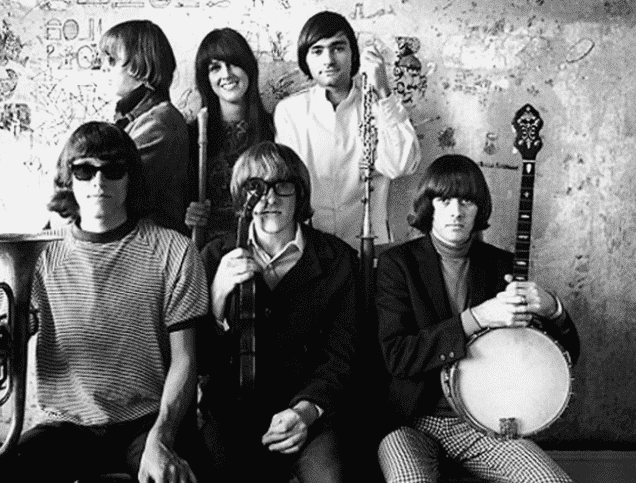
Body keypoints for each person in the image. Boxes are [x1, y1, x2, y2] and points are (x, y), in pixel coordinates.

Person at [0, 122, 208, 483]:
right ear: (69, 179)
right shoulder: (39, 253)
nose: (98, 181)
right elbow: (10, 343)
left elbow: (185, 360)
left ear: (131, 178)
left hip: (148, 423)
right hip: (67, 427)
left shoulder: (175, 250)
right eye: (84, 170)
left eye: (113, 170)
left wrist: (162, 436)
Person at [375, 154, 580, 483]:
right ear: (429, 206)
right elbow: (397, 356)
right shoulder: (397, 265)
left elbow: (560, 358)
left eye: (467, 201)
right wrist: (478, 317)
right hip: (410, 423)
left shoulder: (503, 266)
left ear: (478, 209)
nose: (456, 212)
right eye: (444, 200)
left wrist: (553, 309)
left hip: (484, 425)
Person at [198, 141, 358, 482]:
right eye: (255, 188)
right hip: (232, 413)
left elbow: (341, 356)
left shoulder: (339, 260)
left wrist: (305, 412)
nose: (269, 199)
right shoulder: (213, 256)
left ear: (299, 194)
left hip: (310, 413)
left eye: (282, 186)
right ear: (241, 198)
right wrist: (217, 295)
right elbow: (199, 361)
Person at [274, 10, 421, 250]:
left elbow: (400, 165)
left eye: (338, 48)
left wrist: (384, 91)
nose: (329, 60)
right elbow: (289, 183)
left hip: (369, 246)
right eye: (317, 51)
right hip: (311, 248)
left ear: (353, 54)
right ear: (305, 60)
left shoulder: (378, 106)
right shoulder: (290, 112)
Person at [99, 19, 191, 236]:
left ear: (140, 66)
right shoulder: (137, 118)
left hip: (150, 246)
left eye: (112, 60)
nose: (104, 68)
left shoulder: (159, 123)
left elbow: (111, 191)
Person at [185, 27, 275, 246]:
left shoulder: (275, 128)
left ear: (249, 69)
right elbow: (178, 202)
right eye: (215, 67)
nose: (226, 74)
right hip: (209, 251)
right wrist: (189, 215)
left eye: (233, 63)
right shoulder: (192, 135)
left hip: (264, 246)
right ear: (206, 79)